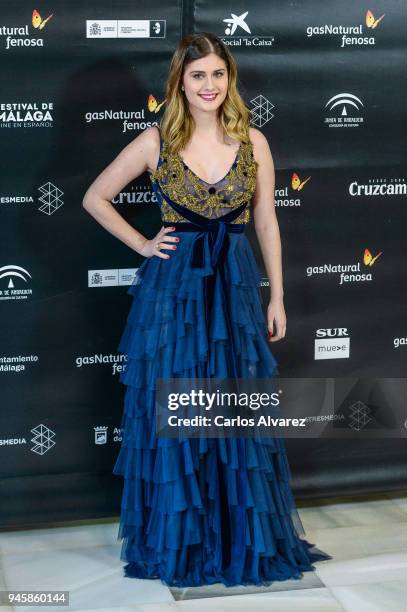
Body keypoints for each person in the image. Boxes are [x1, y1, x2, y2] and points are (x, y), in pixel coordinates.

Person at [82, 31, 331, 588]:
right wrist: (145, 245)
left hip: (235, 286)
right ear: (180, 82)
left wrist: (279, 294)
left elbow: (266, 220)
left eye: (218, 74)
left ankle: (236, 535)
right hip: (173, 290)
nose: (209, 85)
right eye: (198, 76)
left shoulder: (253, 141)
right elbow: (95, 196)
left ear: (230, 80)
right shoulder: (154, 143)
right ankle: (182, 538)